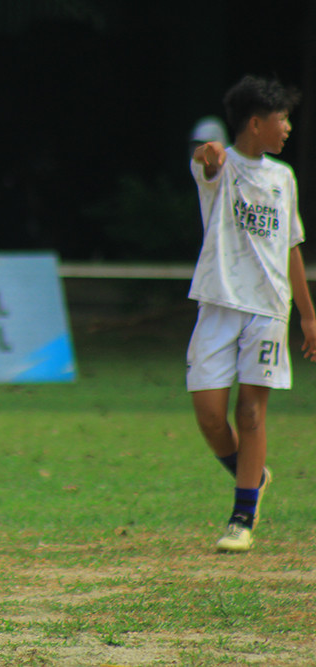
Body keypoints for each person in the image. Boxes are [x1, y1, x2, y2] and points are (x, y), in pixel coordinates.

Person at [187, 75, 316, 553]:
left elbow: (291, 247)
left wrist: (307, 315)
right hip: (218, 304)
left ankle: (242, 517)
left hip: (268, 308)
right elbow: (206, 161)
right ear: (256, 123)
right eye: (282, 119)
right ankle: (253, 476)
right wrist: (209, 154)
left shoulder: (284, 178)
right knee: (209, 415)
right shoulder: (223, 166)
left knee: (251, 412)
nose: (287, 129)